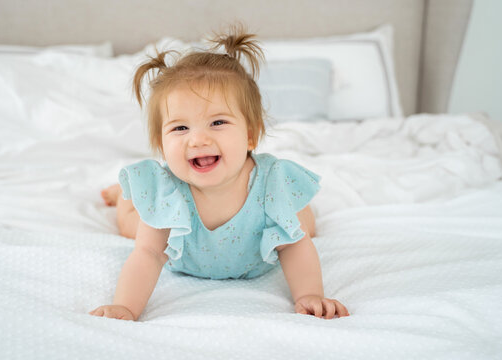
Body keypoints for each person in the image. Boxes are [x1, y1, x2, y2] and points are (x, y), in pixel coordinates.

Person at [89, 25, 349, 321]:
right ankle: (123, 195)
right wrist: (126, 307)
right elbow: (147, 255)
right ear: (162, 144)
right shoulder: (165, 193)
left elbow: (294, 248)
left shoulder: (271, 183)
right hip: (184, 258)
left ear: (250, 137)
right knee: (131, 225)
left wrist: (309, 295)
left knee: (303, 228)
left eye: (217, 123)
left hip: (256, 259)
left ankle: (298, 206)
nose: (198, 139)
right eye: (180, 128)